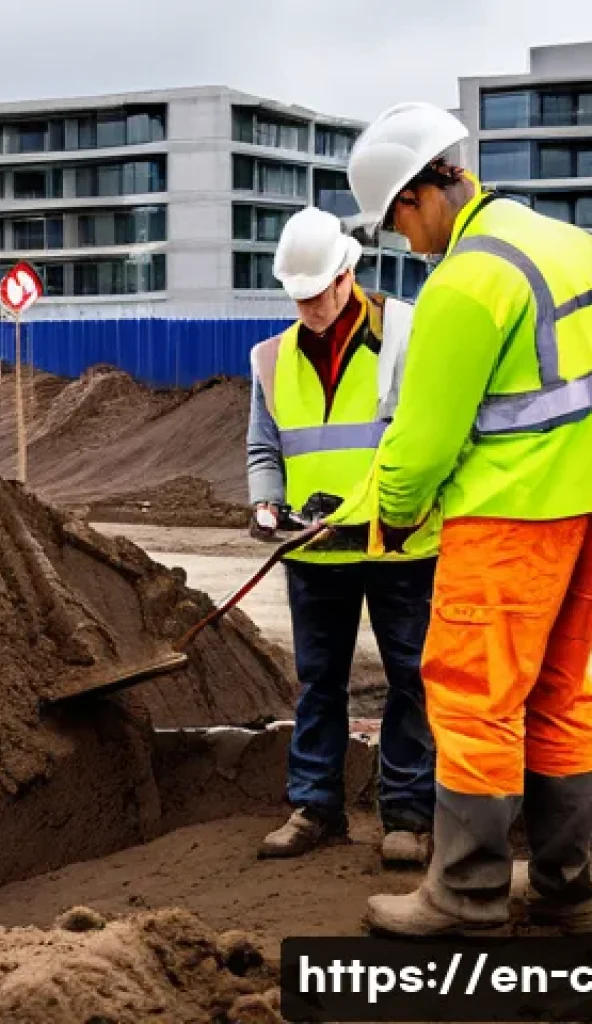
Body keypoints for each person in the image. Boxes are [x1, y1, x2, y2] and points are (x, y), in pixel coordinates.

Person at [341, 102, 592, 935]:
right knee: (564, 696)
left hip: (509, 519)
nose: (406, 245)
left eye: (396, 225)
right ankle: (565, 881)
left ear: (418, 196)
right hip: (584, 513)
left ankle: (468, 893)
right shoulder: (570, 244)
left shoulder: (464, 282)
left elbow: (420, 446)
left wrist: (397, 517)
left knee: (473, 699)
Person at [247, 206, 439, 867]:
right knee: (318, 680)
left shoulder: (409, 338)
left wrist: (368, 507)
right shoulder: (270, 359)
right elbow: (263, 447)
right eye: (297, 296)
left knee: (411, 679)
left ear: (347, 275)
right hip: (316, 549)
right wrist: (267, 503)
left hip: (399, 543)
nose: (309, 307)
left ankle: (410, 817)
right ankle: (315, 806)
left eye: (318, 292)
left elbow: (426, 440)